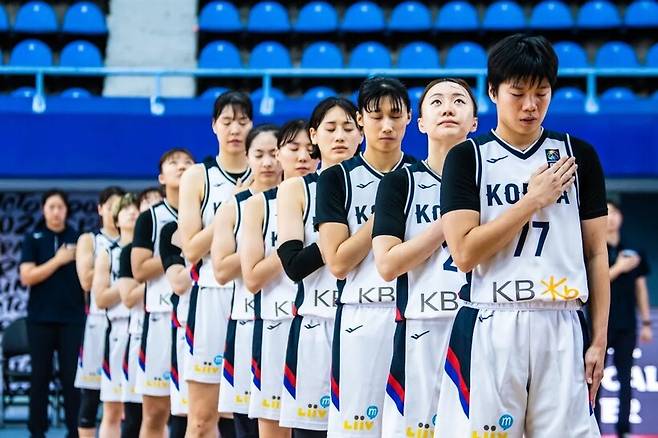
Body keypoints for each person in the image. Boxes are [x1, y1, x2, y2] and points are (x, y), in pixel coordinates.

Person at [435, 34, 609, 437]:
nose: (530, 105)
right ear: (493, 92)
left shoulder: (578, 154)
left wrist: (598, 340)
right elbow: (463, 253)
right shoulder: (468, 157)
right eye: (518, 93)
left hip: (563, 322)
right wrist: (532, 201)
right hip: (491, 320)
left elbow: (596, 253)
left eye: (541, 93)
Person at [372, 78, 478, 437]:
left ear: (475, 122)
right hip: (421, 325)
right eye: (436, 102)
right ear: (420, 123)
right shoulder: (399, 182)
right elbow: (386, 265)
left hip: (483, 324)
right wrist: (448, 223)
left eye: (459, 101)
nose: (448, 107)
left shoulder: (492, 175)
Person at [314, 76, 416, 437]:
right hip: (361, 313)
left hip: (418, 317)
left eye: (395, 115)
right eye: (376, 116)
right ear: (361, 120)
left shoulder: (426, 175)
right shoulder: (336, 179)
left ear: (409, 118)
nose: (386, 125)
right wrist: (384, 215)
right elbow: (338, 261)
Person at [277, 98, 363, 437]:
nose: (339, 136)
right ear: (315, 135)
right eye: (330, 129)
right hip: (317, 321)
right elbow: (294, 265)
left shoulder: (387, 182)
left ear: (361, 132)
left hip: (370, 317)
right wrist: (337, 235)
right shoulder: (296, 188)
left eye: (347, 128)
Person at [178, 90, 253, 438]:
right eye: (227, 121)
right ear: (214, 126)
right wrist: (233, 206)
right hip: (211, 294)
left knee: (253, 418)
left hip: (258, 297)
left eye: (242, 121)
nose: (235, 128)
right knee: (201, 419)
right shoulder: (198, 176)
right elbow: (191, 249)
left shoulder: (270, 169)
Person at [241, 120, 319, 438]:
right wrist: (293, 248)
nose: (303, 156)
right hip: (277, 324)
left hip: (324, 321)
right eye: (293, 148)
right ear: (278, 154)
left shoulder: (337, 193)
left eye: (309, 150)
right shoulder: (258, 204)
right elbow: (252, 277)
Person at [213, 124, 281, 438]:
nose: (267, 162)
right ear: (248, 158)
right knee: (246, 425)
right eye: (259, 154)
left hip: (293, 322)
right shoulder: (234, 208)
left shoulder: (303, 200)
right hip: (247, 323)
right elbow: (222, 270)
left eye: (273, 153)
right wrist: (264, 253)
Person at [132, 148, 195, 438]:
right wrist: (181, 248)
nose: (181, 166)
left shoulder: (209, 212)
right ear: (161, 177)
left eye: (187, 162)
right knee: (156, 413)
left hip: (198, 315)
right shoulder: (150, 218)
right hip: (159, 318)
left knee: (200, 412)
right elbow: (140, 270)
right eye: (173, 162)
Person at [19, 189, 86, 438]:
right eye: (51, 207)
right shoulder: (33, 238)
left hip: (73, 319)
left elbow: (87, 278)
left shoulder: (79, 238)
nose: (56, 211)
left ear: (67, 210)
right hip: (40, 320)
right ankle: (37, 430)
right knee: (40, 377)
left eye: (60, 207)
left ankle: (75, 430)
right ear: (43, 210)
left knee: (72, 379)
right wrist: (58, 260)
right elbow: (27, 276)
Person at [595, 200, 652, 437]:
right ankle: (594, 428)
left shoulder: (634, 250)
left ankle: (624, 430)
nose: (611, 218)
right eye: (606, 213)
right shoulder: (594, 250)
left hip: (627, 324)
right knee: (594, 380)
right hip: (600, 325)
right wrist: (618, 268)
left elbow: (641, 287)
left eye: (615, 213)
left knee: (625, 378)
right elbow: (594, 283)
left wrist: (646, 322)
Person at [74, 186, 125, 438]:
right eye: (110, 206)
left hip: (128, 321)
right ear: (100, 209)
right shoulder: (90, 239)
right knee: (91, 398)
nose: (115, 211)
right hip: (98, 323)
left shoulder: (134, 240)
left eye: (121, 207)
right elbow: (86, 280)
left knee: (123, 400)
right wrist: (119, 273)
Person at [117, 190, 163, 438]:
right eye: (146, 201)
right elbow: (127, 296)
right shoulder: (129, 252)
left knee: (182, 414)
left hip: (179, 328)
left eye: (158, 200)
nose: (153, 205)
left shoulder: (182, 236)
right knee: (137, 414)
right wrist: (165, 265)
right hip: (141, 332)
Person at [94, 194, 140, 438]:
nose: (132, 213)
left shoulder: (152, 252)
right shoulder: (108, 253)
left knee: (151, 408)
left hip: (147, 329)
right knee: (113, 409)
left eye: (136, 208)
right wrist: (127, 285)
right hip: (118, 331)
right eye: (125, 210)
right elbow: (100, 298)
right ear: (115, 218)